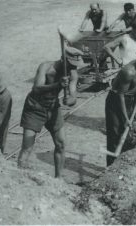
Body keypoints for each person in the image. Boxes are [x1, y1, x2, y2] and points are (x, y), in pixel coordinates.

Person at [17, 47, 84, 178]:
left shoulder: (73, 74)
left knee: (61, 143)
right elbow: (36, 88)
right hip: (34, 108)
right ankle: (19, 178)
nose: (73, 68)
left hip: (53, 108)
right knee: (27, 146)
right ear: (63, 59)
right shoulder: (46, 67)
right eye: (71, 64)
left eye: (75, 65)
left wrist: (68, 100)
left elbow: (73, 98)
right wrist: (58, 85)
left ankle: (58, 179)